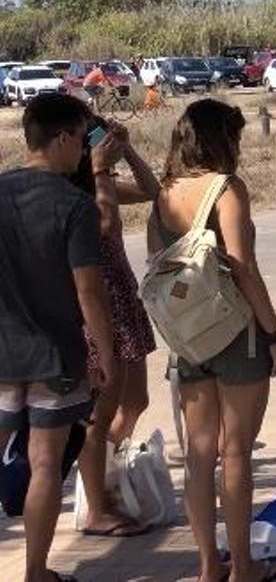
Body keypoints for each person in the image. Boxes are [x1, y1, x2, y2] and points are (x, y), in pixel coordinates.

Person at [149, 99, 276, 582]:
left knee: (199, 451)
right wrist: (274, 333)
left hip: (188, 336)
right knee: (236, 452)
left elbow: (160, 264)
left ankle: (209, 564)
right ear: (222, 139)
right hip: (235, 332)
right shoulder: (226, 188)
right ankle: (244, 565)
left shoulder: (164, 194)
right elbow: (242, 265)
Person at [0, 93, 114, 582]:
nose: (85, 151)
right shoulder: (73, 205)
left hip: (3, 353)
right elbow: (88, 290)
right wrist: (105, 354)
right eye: (83, 139)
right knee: (45, 463)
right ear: (63, 138)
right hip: (56, 357)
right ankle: (35, 573)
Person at [68, 117, 160, 539]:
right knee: (98, 415)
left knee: (136, 400)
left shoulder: (100, 182)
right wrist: (102, 168)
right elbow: (105, 226)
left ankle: (104, 478)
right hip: (99, 309)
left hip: (123, 300)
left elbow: (151, 191)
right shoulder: (73, 193)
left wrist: (129, 151)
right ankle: (95, 502)